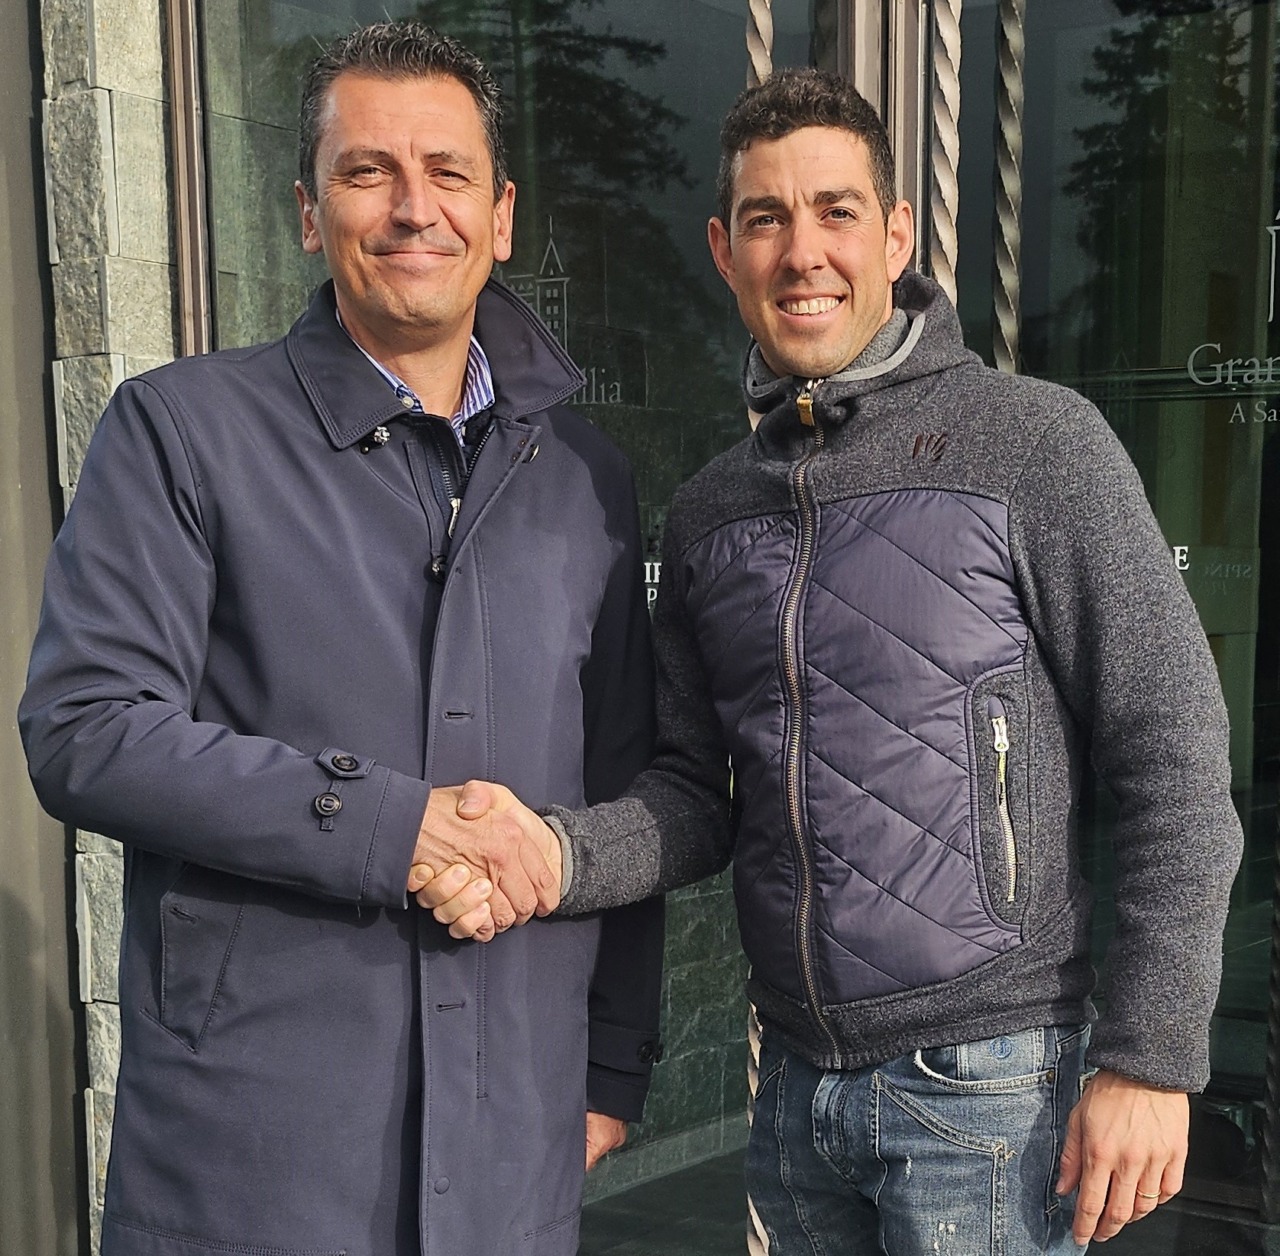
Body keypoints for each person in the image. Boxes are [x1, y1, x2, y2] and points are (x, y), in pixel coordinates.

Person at [416, 69, 1243, 1254]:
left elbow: (1172, 754)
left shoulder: (1033, 444)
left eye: (834, 211)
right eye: (765, 218)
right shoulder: (710, 511)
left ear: (893, 234)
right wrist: (551, 852)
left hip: (989, 1089)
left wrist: (1150, 1055)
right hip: (797, 1091)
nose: (801, 251)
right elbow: (695, 792)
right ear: (724, 250)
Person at [18, 21, 664, 1256]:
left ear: (501, 216)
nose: (413, 207)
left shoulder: (586, 477)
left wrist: (612, 1061)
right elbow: (85, 728)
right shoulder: (181, 432)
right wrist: (390, 825)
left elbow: (623, 779)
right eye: (368, 171)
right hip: (258, 1144)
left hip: (511, 1136)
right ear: (309, 213)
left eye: (448, 172)